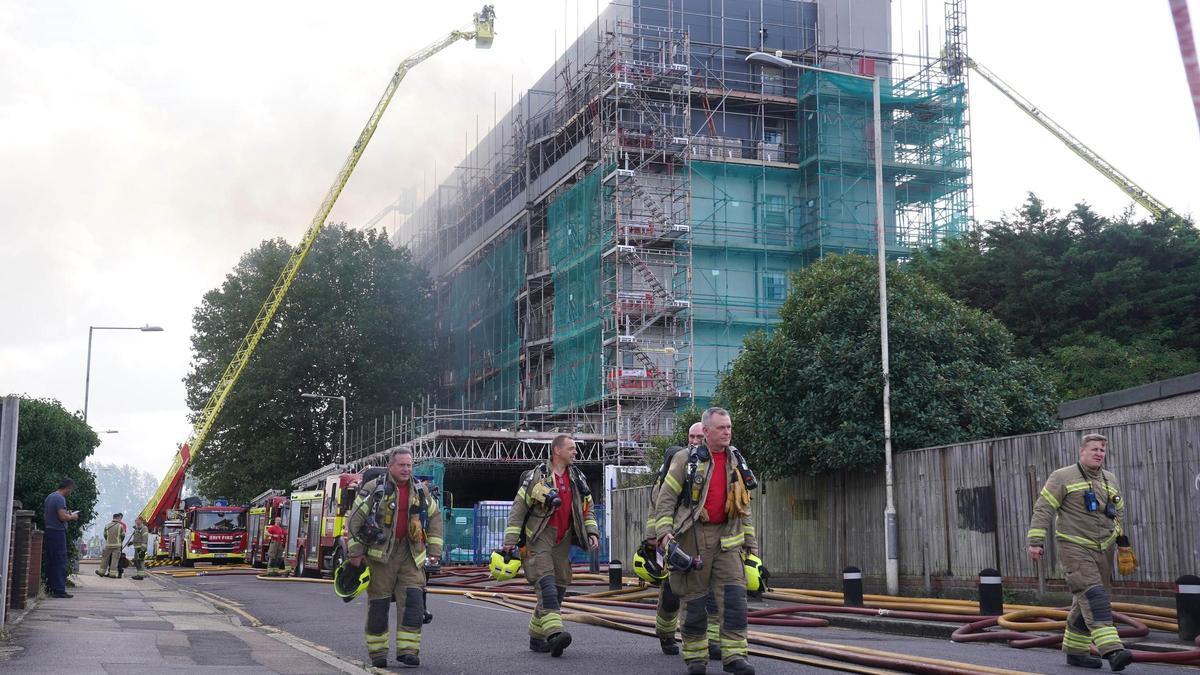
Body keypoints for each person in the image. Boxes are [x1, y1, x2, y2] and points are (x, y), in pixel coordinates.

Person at [652, 408, 756, 675]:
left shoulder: (736, 460)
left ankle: (735, 656)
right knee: (695, 600)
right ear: (706, 432)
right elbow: (665, 501)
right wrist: (664, 535)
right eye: (721, 428)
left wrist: (750, 542)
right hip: (694, 537)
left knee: (734, 599)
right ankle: (696, 657)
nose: (727, 432)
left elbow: (743, 505)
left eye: (729, 427)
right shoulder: (685, 460)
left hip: (728, 539)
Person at [1027, 433, 1135, 671]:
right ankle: (1113, 650)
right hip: (1074, 547)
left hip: (1103, 548)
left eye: (1103, 450)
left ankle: (1076, 652)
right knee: (1094, 596)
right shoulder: (1062, 476)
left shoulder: (1110, 478)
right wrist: (1036, 540)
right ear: (1081, 451)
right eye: (1094, 449)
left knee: (1085, 599)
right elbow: (1043, 508)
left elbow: (1117, 511)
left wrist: (1122, 542)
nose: (1099, 453)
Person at [503, 434, 600, 657]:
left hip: (563, 538)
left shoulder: (577, 477)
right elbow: (518, 508)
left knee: (559, 587)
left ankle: (536, 639)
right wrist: (510, 541)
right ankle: (555, 634)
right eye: (571, 448)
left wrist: (591, 531)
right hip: (540, 537)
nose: (575, 452)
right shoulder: (537, 477)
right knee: (545, 585)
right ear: (557, 451)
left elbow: (588, 507)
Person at [346, 448, 444, 669]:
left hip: (411, 554)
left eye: (409, 465)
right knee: (379, 604)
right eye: (402, 465)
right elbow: (354, 522)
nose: (406, 469)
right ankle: (378, 653)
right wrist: (356, 553)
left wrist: (435, 550)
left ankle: (408, 651)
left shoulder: (420, 491)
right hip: (381, 556)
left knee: (413, 603)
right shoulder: (375, 489)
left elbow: (436, 518)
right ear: (391, 466)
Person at [647, 423, 723, 662]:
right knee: (672, 590)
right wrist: (655, 537)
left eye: (699, 436)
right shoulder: (677, 463)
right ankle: (666, 633)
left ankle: (712, 641)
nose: (695, 440)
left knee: (709, 591)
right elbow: (659, 504)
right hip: (676, 538)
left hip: (707, 540)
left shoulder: (714, 465)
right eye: (691, 436)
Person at [42, 478, 80, 598]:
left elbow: (54, 514)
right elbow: (62, 517)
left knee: (51, 561)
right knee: (60, 561)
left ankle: (49, 587)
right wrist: (73, 516)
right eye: (71, 490)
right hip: (57, 533)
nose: (71, 492)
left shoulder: (50, 497)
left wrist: (66, 514)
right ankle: (59, 590)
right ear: (68, 488)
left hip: (49, 531)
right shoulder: (60, 498)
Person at [96, 513, 124, 578]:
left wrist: (108, 540)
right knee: (115, 560)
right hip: (117, 545)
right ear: (118, 518)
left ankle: (101, 572)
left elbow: (105, 535)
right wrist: (120, 541)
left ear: (113, 518)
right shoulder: (120, 526)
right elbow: (123, 535)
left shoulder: (107, 525)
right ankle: (112, 574)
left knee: (105, 558)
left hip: (108, 545)